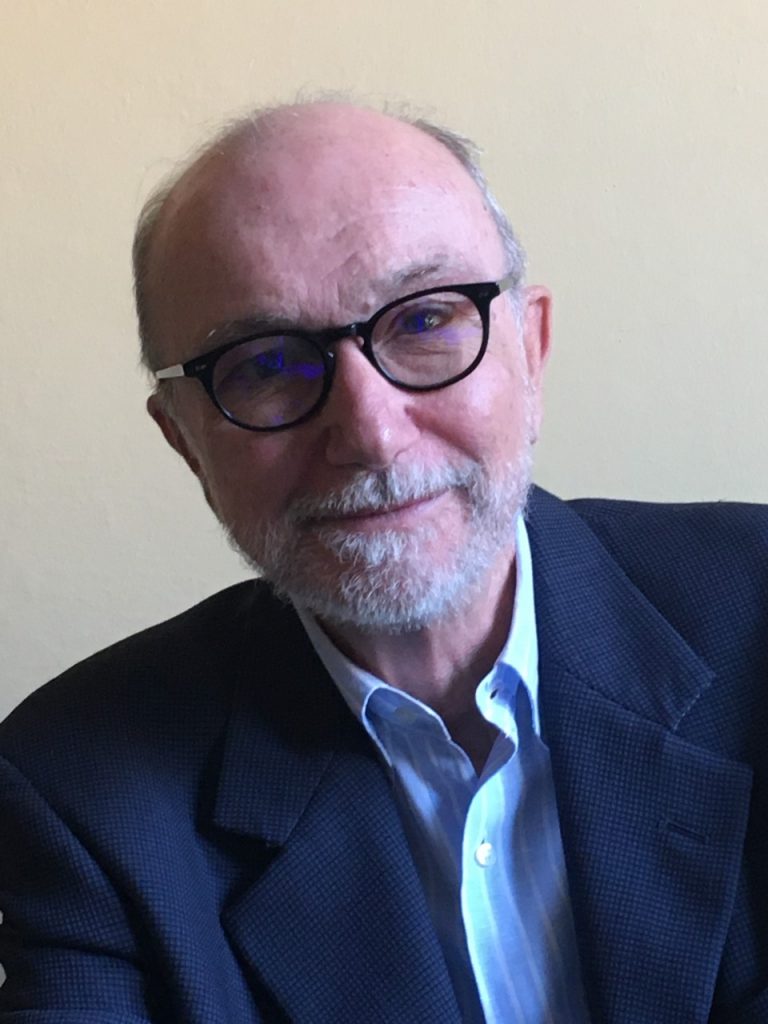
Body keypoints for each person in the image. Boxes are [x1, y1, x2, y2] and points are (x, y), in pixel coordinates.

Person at [1, 100, 767, 1024]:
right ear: (184, 441)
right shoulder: (81, 793)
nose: (370, 433)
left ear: (530, 349)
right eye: (266, 365)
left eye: (426, 320)